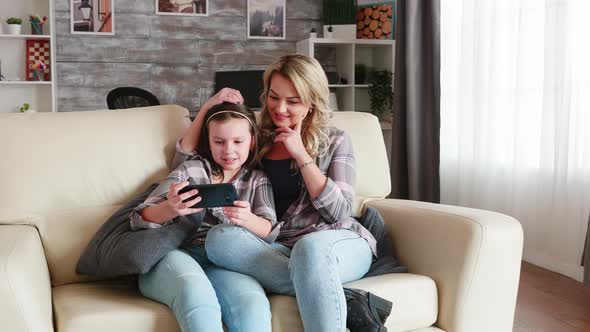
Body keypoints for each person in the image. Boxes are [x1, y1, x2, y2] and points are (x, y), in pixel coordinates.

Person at [190, 54, 378, 331]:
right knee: (220, 240)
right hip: (279, 247)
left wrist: (300, 154)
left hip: (336, 242)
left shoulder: (336, 140)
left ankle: (320, 288)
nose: (280, 108)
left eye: (293, 101)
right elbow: (191, 159)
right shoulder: (256, 137)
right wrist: (208, 107)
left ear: (312, 101)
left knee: (310, 248)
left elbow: (340, 211)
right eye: (274, 97)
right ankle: (339, 298)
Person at [130, 102, 277, 332]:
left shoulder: (258, 179)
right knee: (196, 293)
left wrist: (247, 219)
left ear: (252, 141)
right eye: (219, 142)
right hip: (174, 255)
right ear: (208, 142)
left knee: (252, 303)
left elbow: (270, 229)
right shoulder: (191, 170)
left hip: (223, 263)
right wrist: (171, 207)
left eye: (238, 141)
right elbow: (138, 218)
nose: (228, 150)